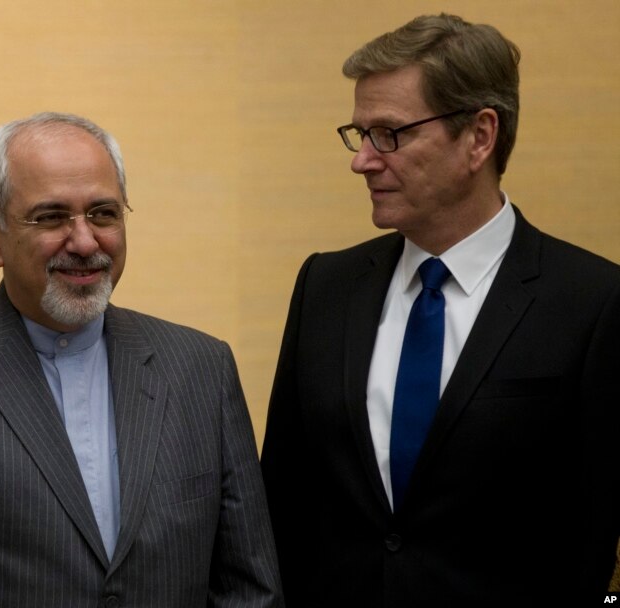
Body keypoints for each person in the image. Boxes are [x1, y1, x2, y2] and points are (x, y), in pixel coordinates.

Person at [261, 14, 620, 608]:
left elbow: (603, 527)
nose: (364, 161)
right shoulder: (325, 285)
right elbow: (283, 500)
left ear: (479, 136)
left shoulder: (594, 302)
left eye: (391, 134)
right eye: (360, 134)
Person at [0, 112, 283, 607]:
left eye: (104, 213)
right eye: (51, 217)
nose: (85, 241)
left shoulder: (201, 367)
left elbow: (249, 590)